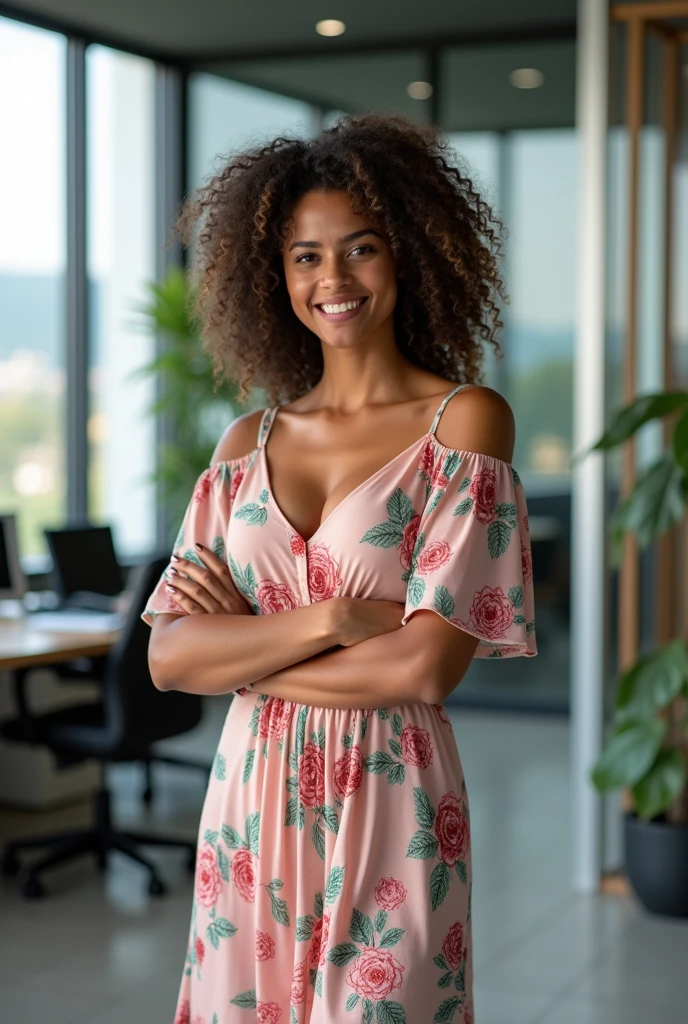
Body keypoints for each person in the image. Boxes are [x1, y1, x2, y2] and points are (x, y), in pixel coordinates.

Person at [142, 112, 537, 1024]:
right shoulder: (245, 445)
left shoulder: (464, 424)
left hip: (390, 797)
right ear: (274, 276)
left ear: (408, 254)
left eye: (360, 249)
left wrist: (241, 652)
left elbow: (423, 666)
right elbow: (168, 661)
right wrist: (328, 620)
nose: (334, 279)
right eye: (306, 257)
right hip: (248, 801)